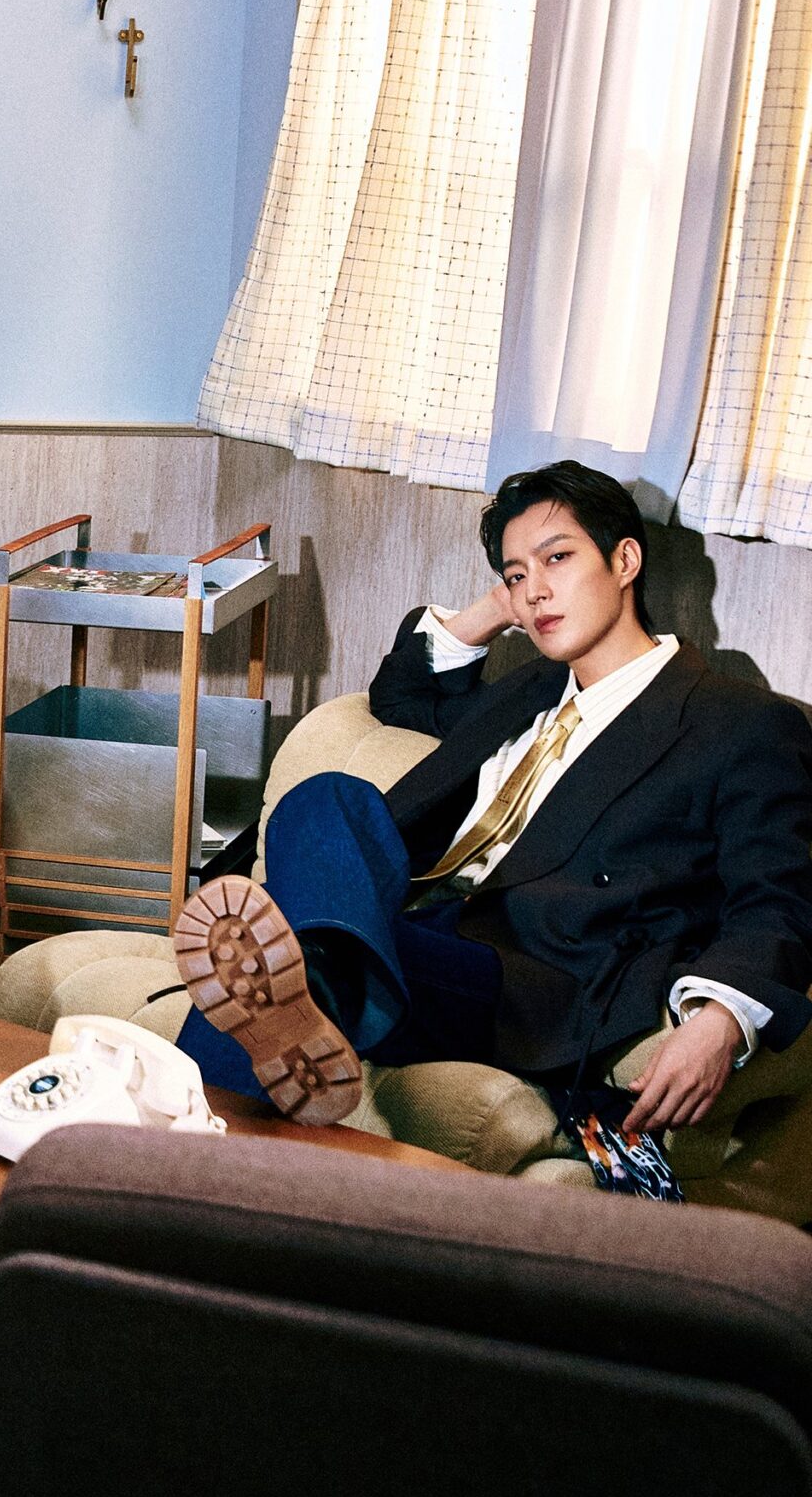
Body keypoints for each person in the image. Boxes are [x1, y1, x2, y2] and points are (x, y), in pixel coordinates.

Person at [173, 460, 812, 1144]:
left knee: (290, 946)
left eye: (557, 559)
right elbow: (402, 694)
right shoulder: (531, 690)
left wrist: (722, 1018)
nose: (535, 591)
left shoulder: (737, 721)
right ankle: (312, 990)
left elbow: (778, 896)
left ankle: (197, 1112)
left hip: (529, 976)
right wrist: (500, 606)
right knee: (326, 796)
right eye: (515, 574)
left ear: (625, 560)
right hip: (400, 920)